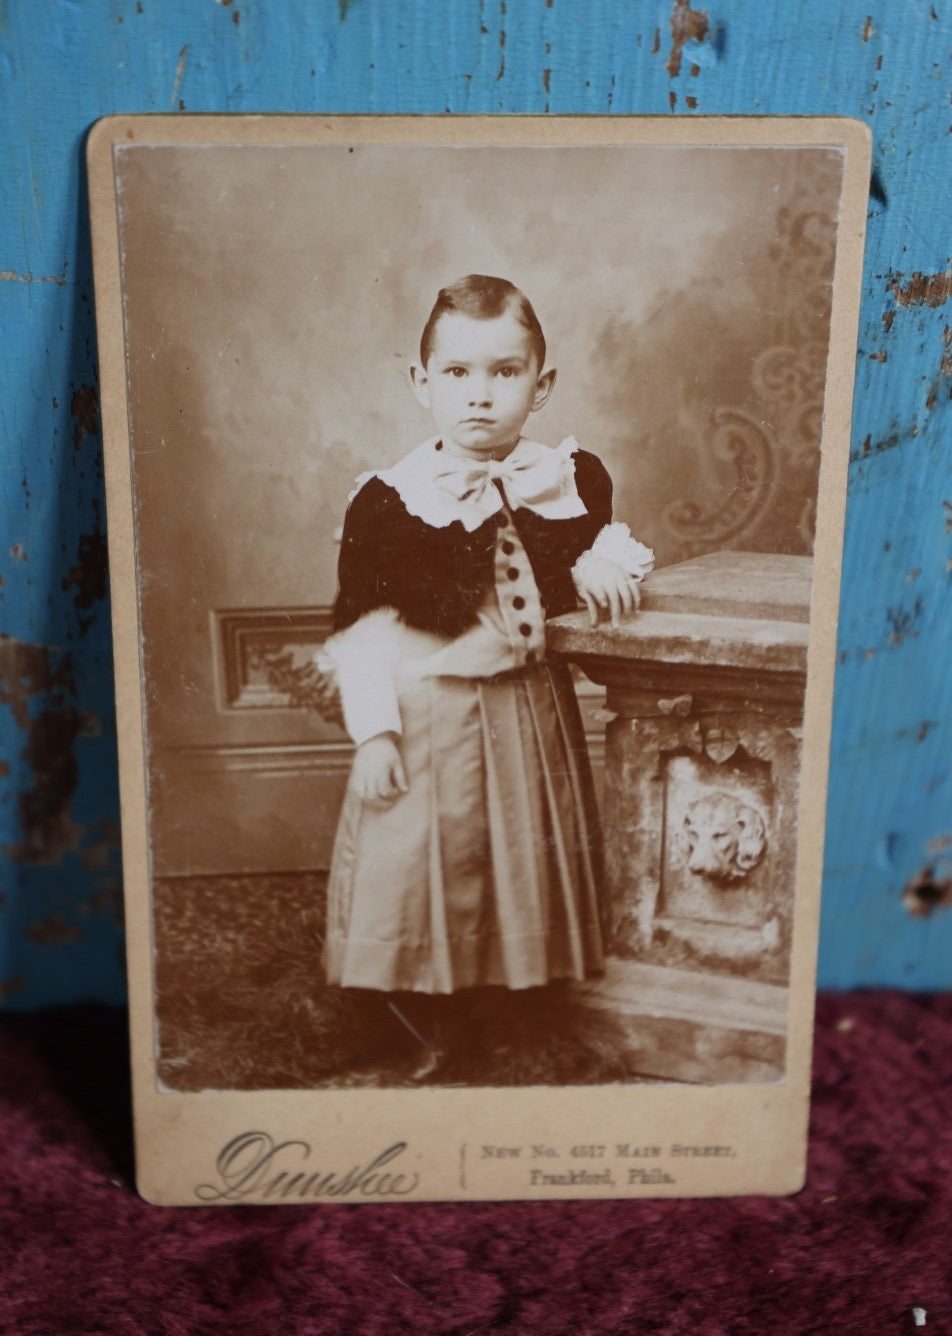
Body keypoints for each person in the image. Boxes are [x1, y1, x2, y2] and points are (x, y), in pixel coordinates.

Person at [321, 274, 653, 1079]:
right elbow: (362, 628)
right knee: (424, 859)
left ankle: (509, 1003)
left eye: (505, 373)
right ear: (421, 382)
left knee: (515, 853)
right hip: (425, 706)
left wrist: (607, 559)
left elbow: (601, 537)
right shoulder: (390, 501)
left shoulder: (571, 477)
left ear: (542, 387)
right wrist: (374, 732)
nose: (480, 396)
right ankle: (416, 1013)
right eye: (458, 374)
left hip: (527, 707)